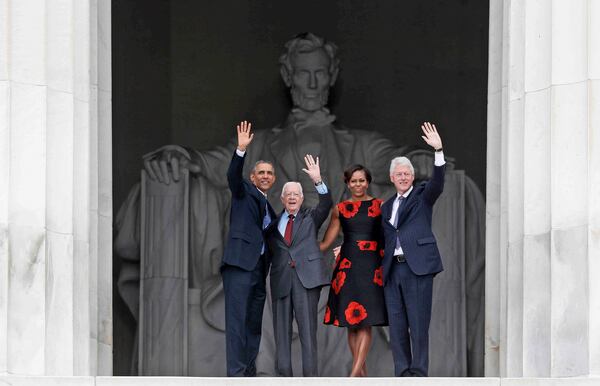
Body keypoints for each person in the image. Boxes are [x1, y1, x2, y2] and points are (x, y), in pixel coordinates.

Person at [380, 122, 445, 377]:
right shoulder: (386, 207)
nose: (404, 177)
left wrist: (438, 150)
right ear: (392, 178)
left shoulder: (422, 196)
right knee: (397, 325)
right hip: (392, 270)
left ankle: (418, 373)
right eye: (399, 174)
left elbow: (438, 183)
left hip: (416, 267)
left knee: (418, 323)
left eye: (407, 173)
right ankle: (402, 372)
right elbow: (381, 237)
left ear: (413, 176)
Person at [265, 154, 332, 377]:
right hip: (282, 280)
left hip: (306, 280)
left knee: (307, 331)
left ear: (302, 199)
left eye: (296, 194)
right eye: (288, 195)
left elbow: (326, 203)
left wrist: (317, 180)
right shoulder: (272, 225)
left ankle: (311, 379)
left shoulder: (311, 217)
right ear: (282, 199)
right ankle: (283, 379)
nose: (292, 198)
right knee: (281, 334)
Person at [320, 164, 387, 377]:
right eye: (353, 181)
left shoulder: (380, 206)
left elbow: (388, 236)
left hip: (371, 265)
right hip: (347, 266)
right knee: (351, 321)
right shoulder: (339, 209)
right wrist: (296, 245)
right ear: (348, 183)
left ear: (368, 182)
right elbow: (325, 243)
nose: (358, 184)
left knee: (366, 321)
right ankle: (362, 377)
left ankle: (353, 375)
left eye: (362, 180)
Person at [221, 120, 276, 376]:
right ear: (253, 178)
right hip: (240, 264)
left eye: (269, 173)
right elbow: (233, 175)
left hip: (258, 269)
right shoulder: (243, 191)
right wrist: (241, 150)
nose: (265, 176)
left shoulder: (271, 209)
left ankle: (249, 372)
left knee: (253, 323)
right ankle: (236, 373)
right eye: (261, 173)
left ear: (273, 180)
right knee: (236, 320)